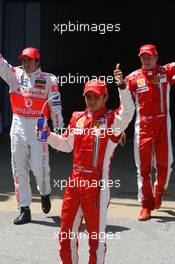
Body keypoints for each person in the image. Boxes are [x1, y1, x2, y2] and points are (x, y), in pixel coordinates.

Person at [45, 69, 135, 264]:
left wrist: (122, 87)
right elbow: (66, 145)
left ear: (105, 97)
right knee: (65, 235)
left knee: (96, 240)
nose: (91, 100)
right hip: (74, 183)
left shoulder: (112, 121)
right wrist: (47, 135)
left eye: (95, 96)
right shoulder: (77, 117)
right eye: (88, 96)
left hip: (97, 187)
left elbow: (128, 111)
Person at [0, 47, 64, 224]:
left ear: (37, 61)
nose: (25, 63)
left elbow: (56, 107)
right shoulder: (14, 74)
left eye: (29, 60)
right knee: (18, 169)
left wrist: (59, 132)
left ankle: (44, 193)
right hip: (18, 124)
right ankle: (24, 208)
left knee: (40, 168)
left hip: (40, 126)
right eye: (23, 60)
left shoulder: (50, 80)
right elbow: (1, 64)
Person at [114, 44, 175, 221]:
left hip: (163, 123)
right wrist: (120, 85)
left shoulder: (166, 72)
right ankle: (146, 205)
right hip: (143, 126)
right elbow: (125, 106)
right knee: (144, 168)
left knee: (166, 166)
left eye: (150, 57)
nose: (146, 60)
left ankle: (159, 188)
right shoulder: (132, 78)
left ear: (156, 57)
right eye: (143, 57)